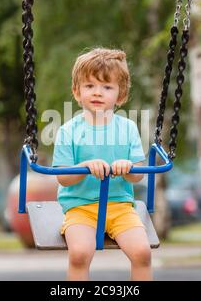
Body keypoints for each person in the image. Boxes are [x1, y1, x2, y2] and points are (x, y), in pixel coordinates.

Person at [52, 48, 152, 281]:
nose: (98, 93)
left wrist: (128, 167)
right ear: (77, 92)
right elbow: (62, 178)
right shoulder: (68, 131)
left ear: (121, 94)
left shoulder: (127, 128)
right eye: (89, 86)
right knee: (79, 254)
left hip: (120, 207)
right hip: (81, 208)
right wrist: (85, 166)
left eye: (107, 87)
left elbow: (138, 175)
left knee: (142, 252)